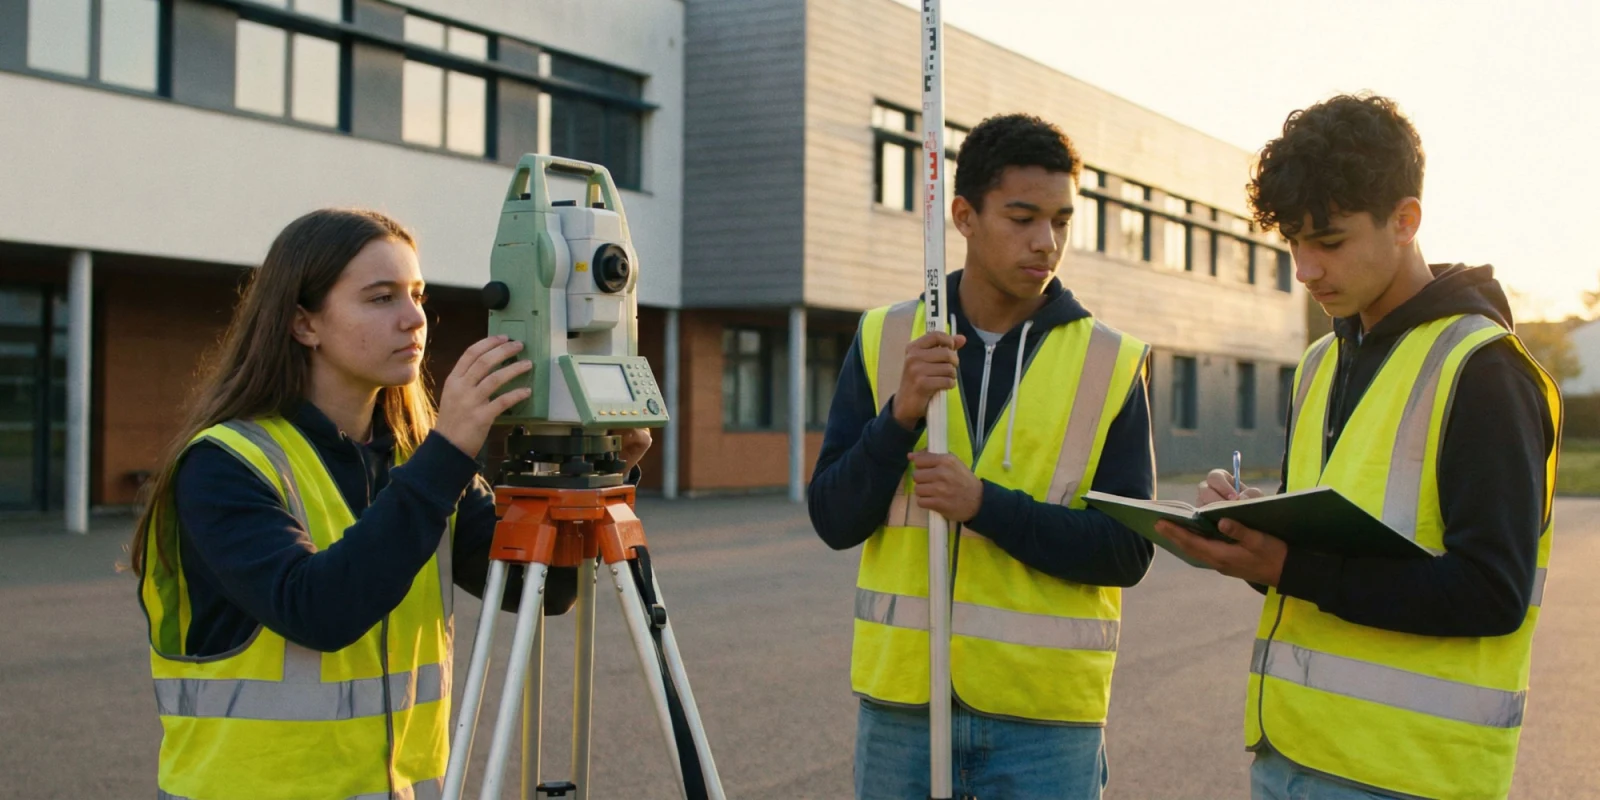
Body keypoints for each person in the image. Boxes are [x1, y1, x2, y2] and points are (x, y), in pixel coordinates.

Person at [130, 208, 651, 799]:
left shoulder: (415, 460)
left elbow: (544, 590)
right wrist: (449, 451)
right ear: (304, 324)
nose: (415, 320)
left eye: (418, 295)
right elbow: (320, 611)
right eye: (381, 299)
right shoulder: (225, 464)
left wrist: (595, 474)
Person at [1156, 95, 1561, 800]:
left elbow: (1492, 594)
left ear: (1405, 221)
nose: (1305, 270)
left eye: (1330, 241)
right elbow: (1326, 550)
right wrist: (1253, 538)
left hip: (1413, 776)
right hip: (1292, 754)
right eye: (1292, 243)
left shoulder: (1484, 369)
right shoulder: (1320, 362)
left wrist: (1289, 562)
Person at [809, 113, 1156, 799]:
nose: (1046, 242)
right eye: (1023, 217)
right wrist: (898, 418)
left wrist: (983, 507)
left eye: (1061, 220)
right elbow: (833, 519)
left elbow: (1126, 552)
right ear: (963, 216)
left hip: (1046, 721)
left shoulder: (1112, 360)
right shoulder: (887, 337)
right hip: (903, 707)